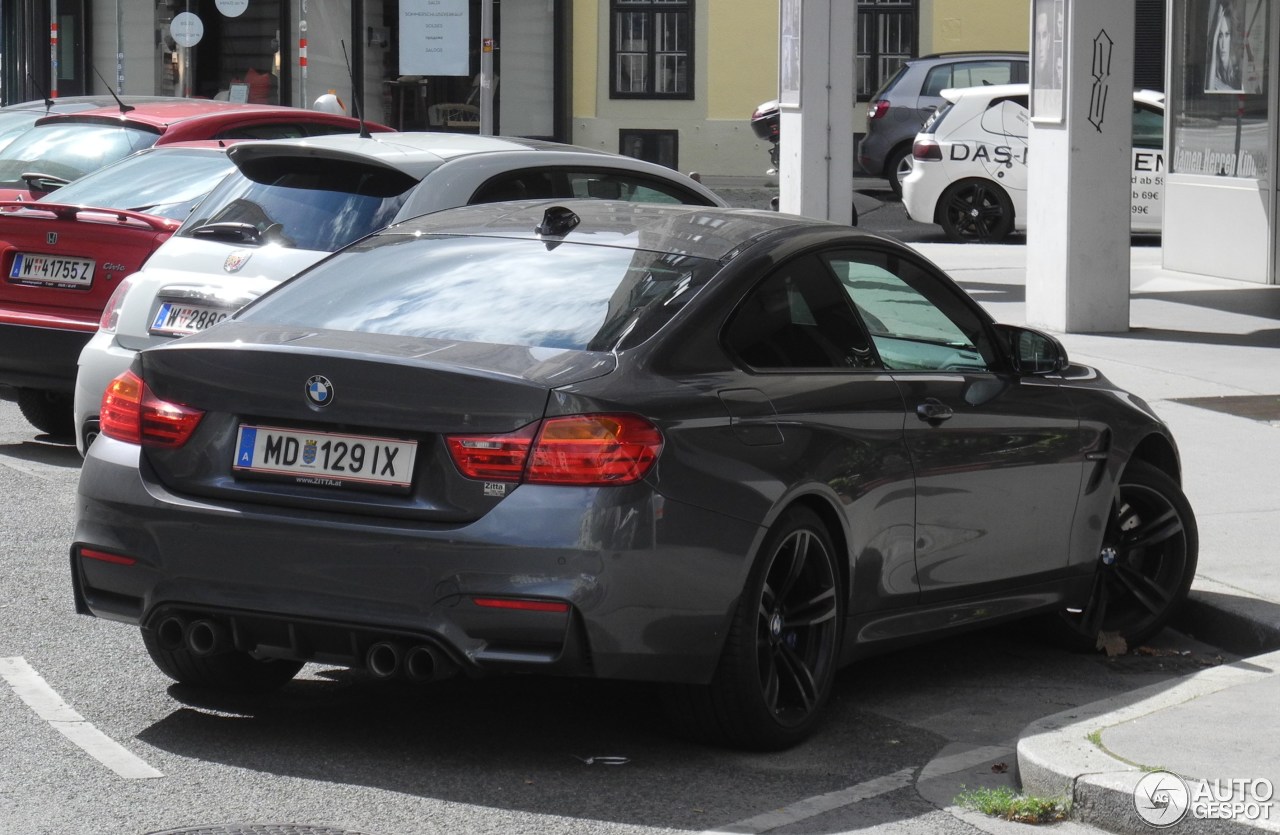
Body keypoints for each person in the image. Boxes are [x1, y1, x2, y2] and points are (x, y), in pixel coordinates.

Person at [1206, 0, 1241, 92]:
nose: (1222, 44)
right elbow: (1210, 89)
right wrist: (1215, 36)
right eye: (1220, 35)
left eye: (1227, 34)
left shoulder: (1237, 71)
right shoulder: (1216, 72)